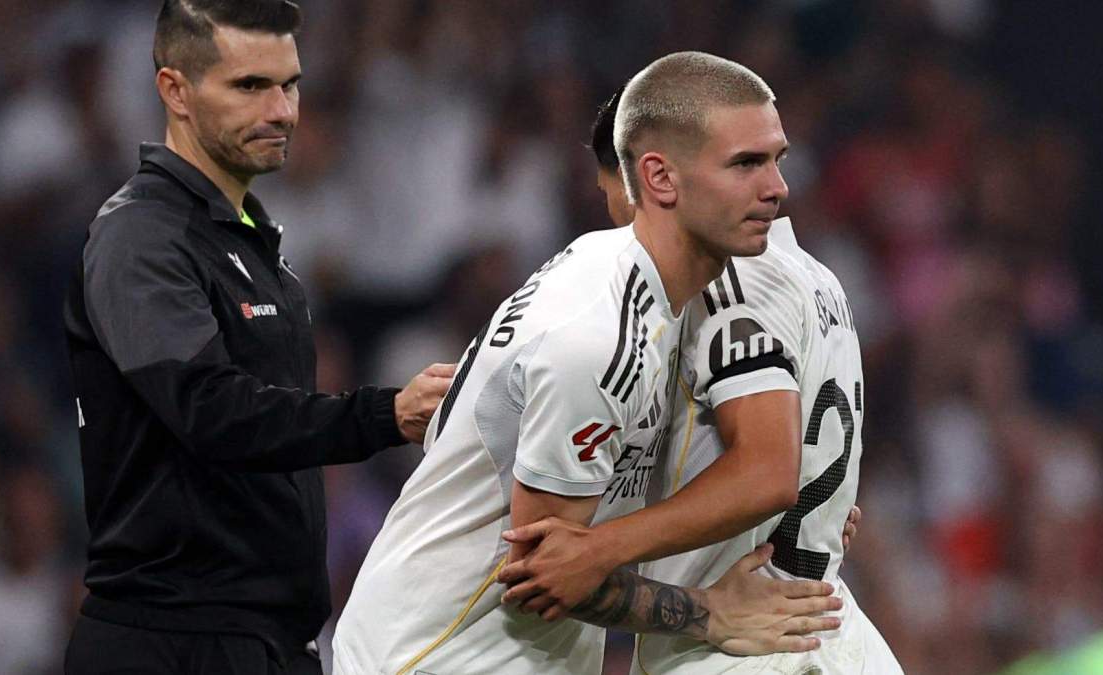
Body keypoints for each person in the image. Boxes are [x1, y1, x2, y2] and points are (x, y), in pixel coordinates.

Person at [331, 51, 843, 675]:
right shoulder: (596, 336)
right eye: (746, 164)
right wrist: (711, 612)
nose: (777, 189)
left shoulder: (651, 289)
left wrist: (794, 519)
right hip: (438, 655)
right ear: (659, 179)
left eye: (777, 160)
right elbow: (549, 574)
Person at [61, 2, 453, 674]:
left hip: (262, 642)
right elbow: (211, 411)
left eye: (289, 84)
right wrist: (383, 414)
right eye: (250, 87)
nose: (282, 111)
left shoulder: (248, 240)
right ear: (174, 90)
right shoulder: (142, 237)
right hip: (172, 641)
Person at [497, 84, 899, 675]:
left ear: (647, 180)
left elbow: (767, 470)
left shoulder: (729, 280)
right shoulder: (818, 279)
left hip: (747, 647)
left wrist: (596, 549)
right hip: (833, 633)